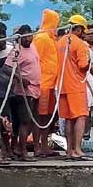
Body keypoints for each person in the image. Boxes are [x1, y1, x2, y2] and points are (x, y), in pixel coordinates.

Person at [57, 15, 92, 160]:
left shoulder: (60, 42)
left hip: (62, 85)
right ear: (78, 29)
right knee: (80, 117)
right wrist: (91, 62)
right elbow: (83, 65)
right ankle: (77, 149)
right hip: (76, 85)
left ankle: (69, 150)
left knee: (68, 119)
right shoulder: (80, 44)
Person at [6, 24, 41, 161]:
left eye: (29, 35)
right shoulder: (16, 50)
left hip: (36, 89)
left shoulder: (33, 47)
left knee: (31, 121)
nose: (28, 38)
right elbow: (7, 68)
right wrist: (20, 78)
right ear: (20, 37)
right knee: (24, 121)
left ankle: (19, 148)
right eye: (25, 36)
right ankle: (23, 151)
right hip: (23, 91)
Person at [33, 9, 62, 158]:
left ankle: (45, 145)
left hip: (52, 84)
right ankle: (37, 146)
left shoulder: (51, 38)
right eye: (56, 22)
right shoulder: (41, 38)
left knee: (48, 117)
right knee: (39, 117)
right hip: (42, 84)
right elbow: (36, 60)